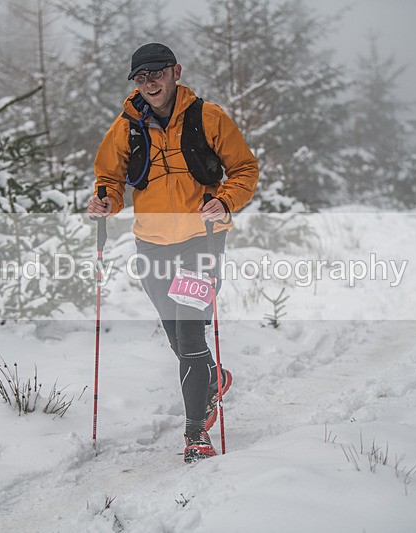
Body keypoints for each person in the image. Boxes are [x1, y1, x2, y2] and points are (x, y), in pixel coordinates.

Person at [87, 43, 259, 462]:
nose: (150, 83)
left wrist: (225, 201)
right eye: (141, 77)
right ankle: (212, 377)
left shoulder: (209, 117)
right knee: (175, 335)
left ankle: (194, 433)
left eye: (157, 73)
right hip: (151, 245)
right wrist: (105, 200)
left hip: (201, 242)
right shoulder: (126, 127)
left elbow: (245, 170)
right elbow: (109, 177)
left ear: (175, 72)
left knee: (189, 332)